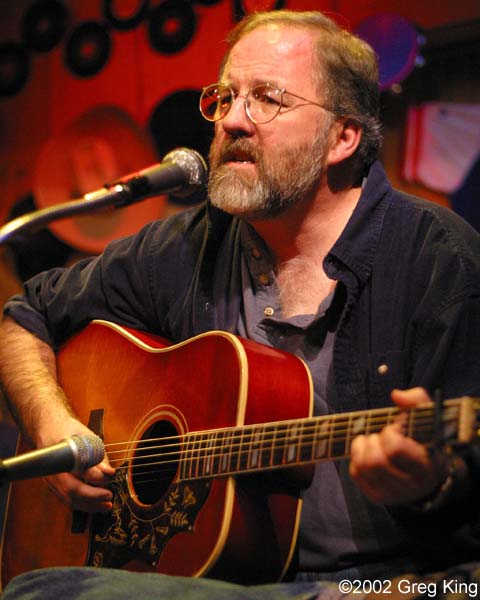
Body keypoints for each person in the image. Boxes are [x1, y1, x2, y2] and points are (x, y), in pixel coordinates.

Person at [1, 9, 480, 600]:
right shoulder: (189, 244)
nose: (231, 120)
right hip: (227, 579)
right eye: (225, 98)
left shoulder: (441, 260)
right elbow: (25, 315)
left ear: (343, 138)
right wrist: (55, 433)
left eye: (267, 99)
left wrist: (433, 484)